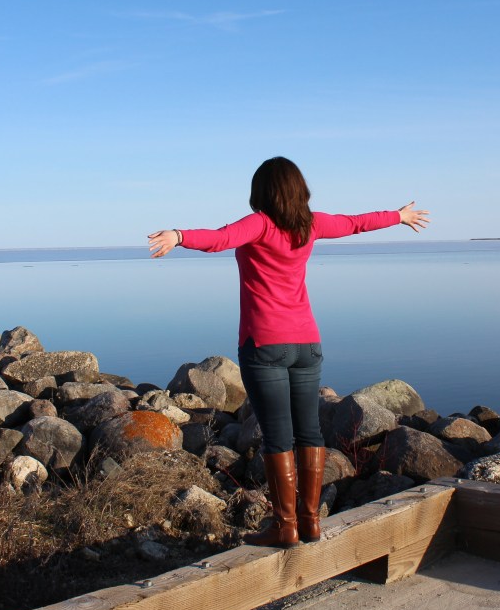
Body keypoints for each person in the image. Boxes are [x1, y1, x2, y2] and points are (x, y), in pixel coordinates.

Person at [148, 157, 430, 548]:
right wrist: (398, 216)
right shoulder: (310, 224)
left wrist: (178, 236)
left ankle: (285, 526)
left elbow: (219, 238)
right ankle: (310, 522)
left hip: (265, 345)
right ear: (299, 189)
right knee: (310, 431)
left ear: (261, 192)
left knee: (278, 437)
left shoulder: (260, 224)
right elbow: (354, 223)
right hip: (306, 344)